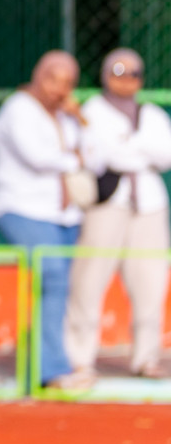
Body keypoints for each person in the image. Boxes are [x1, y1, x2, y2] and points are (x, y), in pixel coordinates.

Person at [63, 49, 171, 383]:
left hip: (149, 205)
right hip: (108, 202)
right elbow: (98, 155)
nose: (126, 80)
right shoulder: (93, 110)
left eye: (133, 73)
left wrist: (129, 147)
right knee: (89, 279)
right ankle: (80, 358)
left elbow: (165, 155)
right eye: (119, 73)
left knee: (151, 282)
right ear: (106, 74)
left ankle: (146, 357)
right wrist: (138, 151)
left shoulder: (152, 113)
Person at [0, 50, 84, 389]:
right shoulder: (19, 108)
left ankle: (48, 364)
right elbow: (37, 158)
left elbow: (95, 152)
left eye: (67, 82)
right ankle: (50, 370)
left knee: (57, 286)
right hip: (22, 209)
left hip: (64, 214)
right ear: (38, 75)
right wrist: (75, 159)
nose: (59, 88)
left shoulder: (68, 115)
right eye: (52, 78)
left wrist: (80, 121)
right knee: (52, 276)